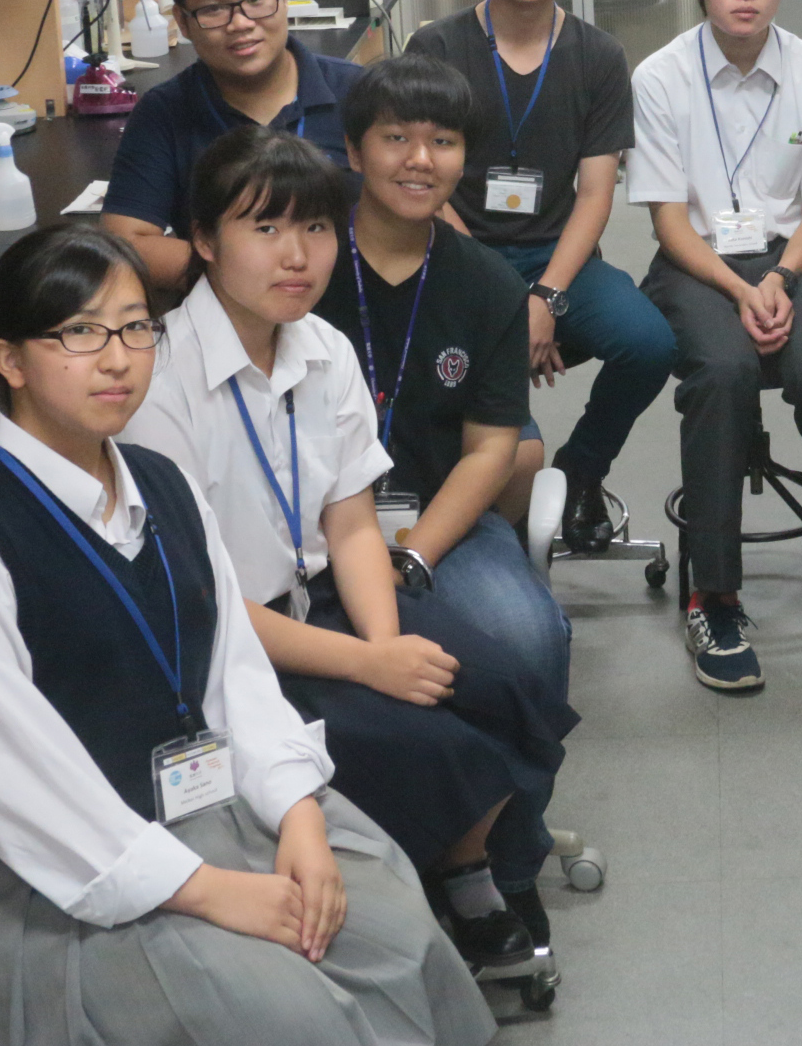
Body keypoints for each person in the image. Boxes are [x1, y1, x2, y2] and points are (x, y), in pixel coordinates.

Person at [0, 222, 491, 1046]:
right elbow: (22, 787)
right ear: (11, 359)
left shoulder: (162, 485)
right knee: (292, 1016)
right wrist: (210, 890)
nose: (117, 358)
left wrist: (299, 814)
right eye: (80, 332)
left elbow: (234, 675)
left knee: (400, 934)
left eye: (136, 326)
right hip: (62, 875)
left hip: (201, 808)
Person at [124, 126, 576, 970]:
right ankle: (461, 874)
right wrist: (370, 667)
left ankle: (462, 859)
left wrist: (384, 646)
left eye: (317, 227)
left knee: (510, 679)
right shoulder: (161, 381)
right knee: (435, 738)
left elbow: (353, 522)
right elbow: (203, 604)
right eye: (265, 228)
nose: (297, 255)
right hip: (228, 642)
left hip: (322, 596)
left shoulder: (323, 348)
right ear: (204, 239)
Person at [630, 0, 802, 694]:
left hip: (790, 260)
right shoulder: (660, 77)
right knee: (724, 371)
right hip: (696, 262)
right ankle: (715, 596)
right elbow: (669, 223)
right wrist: (739, 287)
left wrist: (777, 280)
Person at [406, 0, 676, 555]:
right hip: (457, 257)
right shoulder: (438, 49)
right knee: (506, 435)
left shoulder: (599, 56)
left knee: (649, 343)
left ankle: (580, 472)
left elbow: (596, 194)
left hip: (560, 258)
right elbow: (425, 189)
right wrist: (508, 300)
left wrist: (547, 296)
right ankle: (501, 516)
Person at [313, 54, 575, 725]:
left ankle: (507, 791)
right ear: (354, 150)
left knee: (530, 640)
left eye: (444, 141)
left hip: (439, 518)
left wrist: (414, 556)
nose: (420, 160)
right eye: (396, 137)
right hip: (309, 520)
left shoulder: (487, 284)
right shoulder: (306, 267)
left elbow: (491, 449)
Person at [106, 0, 364, 292]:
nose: (241, 23)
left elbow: (423, 208)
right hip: (228, 317)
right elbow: (124, 243)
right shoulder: (165, 112)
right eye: (213, 9)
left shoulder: (359, 92)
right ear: (183, 21)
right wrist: (244, 272)